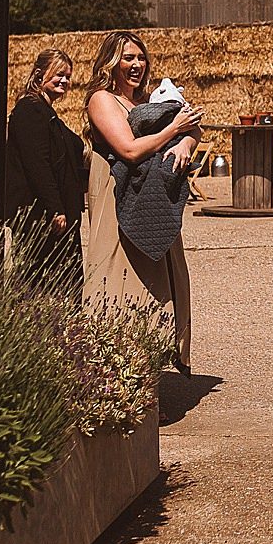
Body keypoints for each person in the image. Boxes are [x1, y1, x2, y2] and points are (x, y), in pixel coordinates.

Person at [80, 30, 201, 370]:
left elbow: (194, 128)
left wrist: (184, 143)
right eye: (127, 58)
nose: (136, 64)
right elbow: (129, 151)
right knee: (117, 275)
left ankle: (148, 374)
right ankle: (111, 373)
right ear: (111, 62)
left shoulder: (149, 99)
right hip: (115, 191)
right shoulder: (102, 100)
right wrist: (172, 130)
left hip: (151, 195)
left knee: (158, 279)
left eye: (140, 57)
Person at [0, 48, 86, 290]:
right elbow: (38, 164)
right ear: (39, 75)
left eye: (68, 76)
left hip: (56, 214)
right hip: (41, 216)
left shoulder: (46, 112)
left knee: (64, 284)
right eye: (59, 74)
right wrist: (55, 208)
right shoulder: (30, 110)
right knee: (43, 284)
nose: (65, 81)